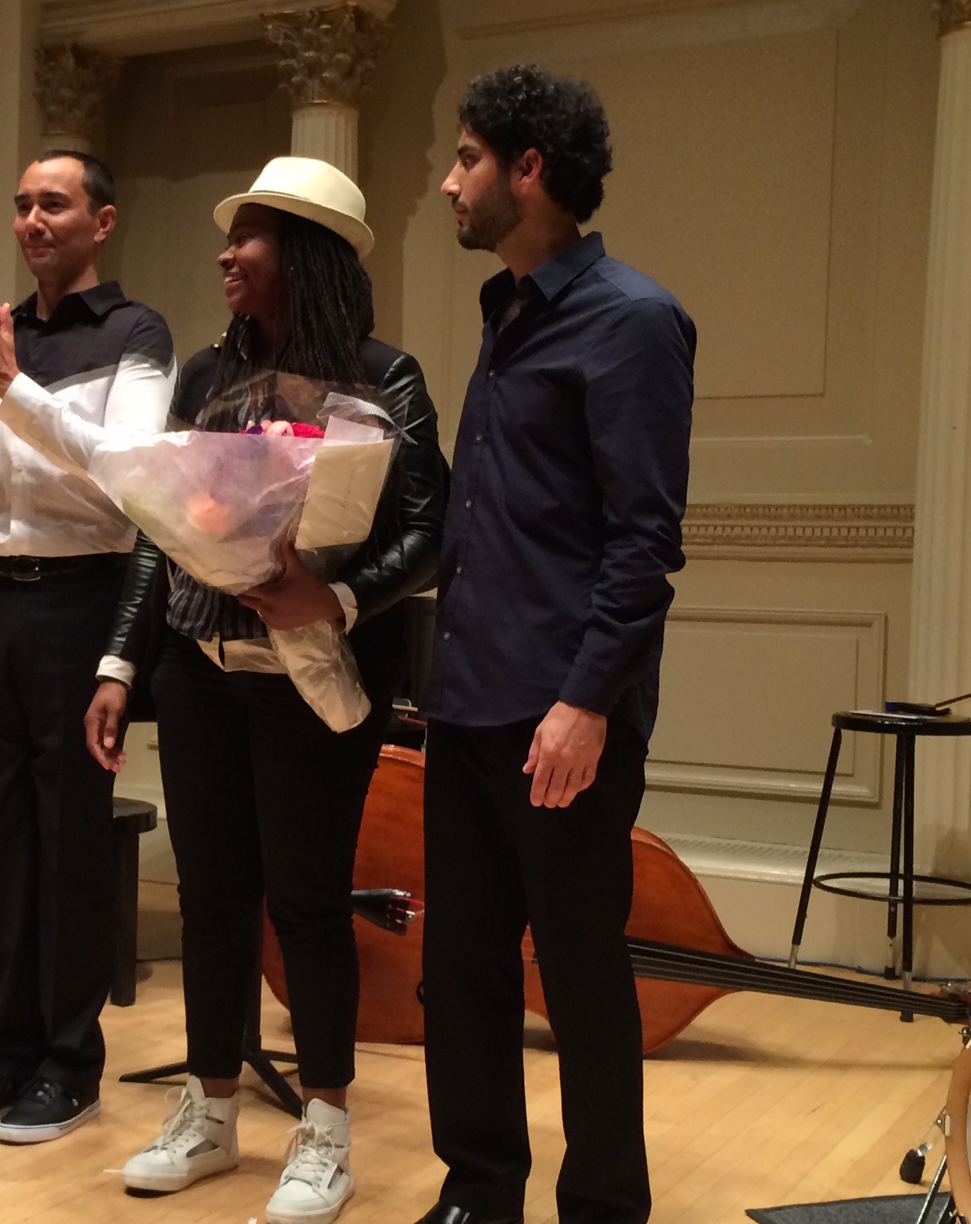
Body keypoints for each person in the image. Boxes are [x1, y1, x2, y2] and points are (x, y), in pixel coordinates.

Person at [75, 156, 447, 1224]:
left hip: (312, 684)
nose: (228, 254)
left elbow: (427, 534)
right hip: (201, 674)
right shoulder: (203, 378)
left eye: (250, 238)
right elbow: (159, 534)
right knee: (212, 901)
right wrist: (118, 663)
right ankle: (211, 1108)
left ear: (304, 255)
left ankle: (325, 1133)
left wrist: (329, 598)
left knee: (310, 905)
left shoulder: (388, 377)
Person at [414, 66, 695, 1224]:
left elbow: (644, 543)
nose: (449, 181)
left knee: (579, 981)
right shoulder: (507, 310)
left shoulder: (631, 319)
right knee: (463, 973)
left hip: (562, 717)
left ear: (528, 169)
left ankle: (603, 1210)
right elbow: (485, 519)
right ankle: (481, 1192)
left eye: (467, 157)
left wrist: (585, 703)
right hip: (469, 697)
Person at [0, 151, 175, 1143]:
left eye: (53, 204)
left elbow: (126, 477)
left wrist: (14, 387)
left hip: (81, 599)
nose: (32, 221)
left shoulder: (136, 332)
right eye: (22, 205)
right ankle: (7, 1054)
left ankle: (70, 1062)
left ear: (100, 221)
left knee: (69, 839)